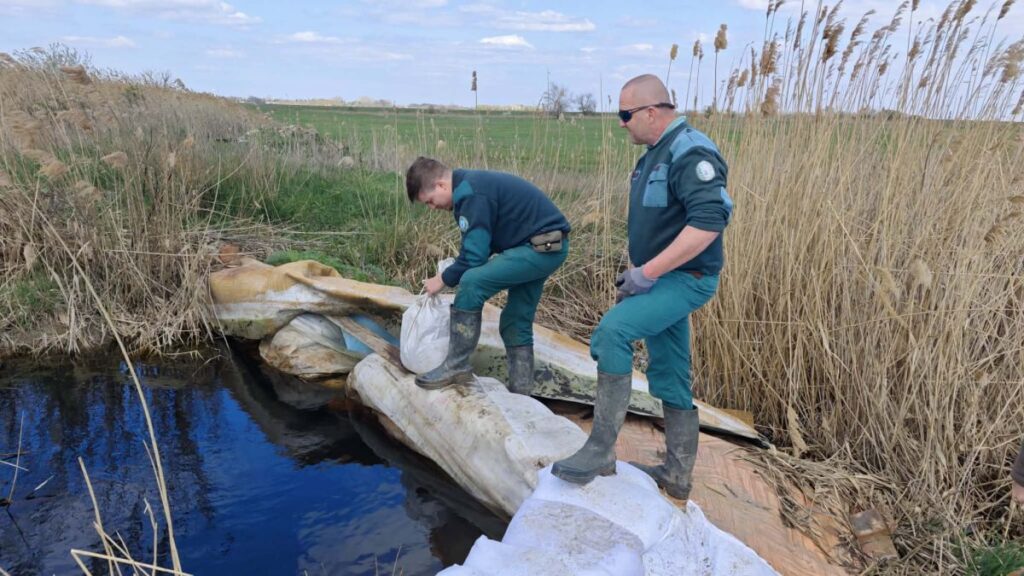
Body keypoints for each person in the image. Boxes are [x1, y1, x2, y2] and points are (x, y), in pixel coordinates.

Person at [552, 74, 733, 502]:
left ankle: (600, 451)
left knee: (612, 332)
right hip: (657, 279)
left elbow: (709, 221)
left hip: (685, 280)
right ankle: (676, 474)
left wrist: (647, 273)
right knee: (670, 371)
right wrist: (637, 273)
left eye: (625, 114)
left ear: (652, 112)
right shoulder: (653, 154)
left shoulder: (691, 151)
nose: (620, 123)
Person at [405, 157, 570, 395]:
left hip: (538, 248)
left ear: (441, 185)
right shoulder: (470, 187)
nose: (432, 208)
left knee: (472, 282)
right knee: (515, 321)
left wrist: (442, 279)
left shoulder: (470, 194)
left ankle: (456, 365)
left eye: (430, 201)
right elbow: (482, 246)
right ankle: (521, 395)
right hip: (546, 245)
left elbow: (474, 259)